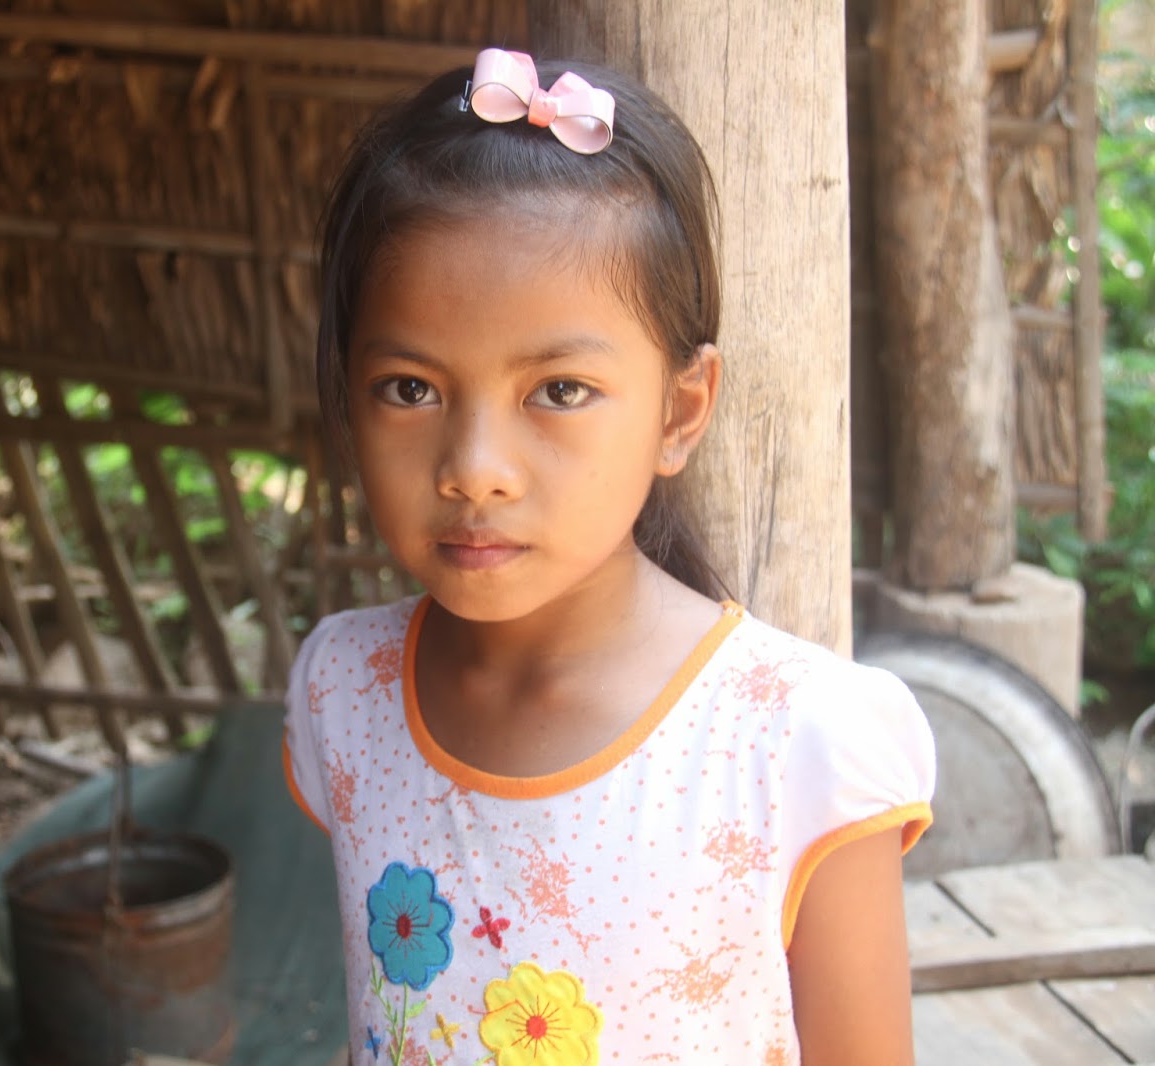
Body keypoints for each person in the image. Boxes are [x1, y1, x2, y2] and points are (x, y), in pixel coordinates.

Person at [282, 48, 934, 1066]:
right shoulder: (345, 695)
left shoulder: (793, 743)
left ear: (679, 412)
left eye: (558, 390)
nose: (474, 469)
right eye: (410, 388)